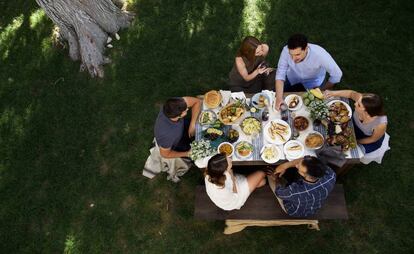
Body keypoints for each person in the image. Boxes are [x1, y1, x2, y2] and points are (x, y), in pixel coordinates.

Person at [274, 33, 343, 110]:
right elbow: (280, 73)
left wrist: (322, 89)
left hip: (314, 81)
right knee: (276, 95)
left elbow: (337, 74)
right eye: (291, 55)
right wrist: (279, 98)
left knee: (313, 106)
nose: (293, 59)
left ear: (306, 48)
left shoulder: (320, 55)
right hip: (293, 76)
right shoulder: (286, 50)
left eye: (297, 54)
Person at [267, 156, 336, 217]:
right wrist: (285, 166)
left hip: (296, 211)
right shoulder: (331, 175)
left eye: (298, 168)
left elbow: (279, 193)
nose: (296, 165)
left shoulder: (295, 191)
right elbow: (307, 159)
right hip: (313, 205)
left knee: (270, 176)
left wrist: (276, 178)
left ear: (306, 176)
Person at [324, 90, 388, 154]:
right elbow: (351, 94)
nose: (355, 103)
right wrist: (332, 93)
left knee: (349, 153)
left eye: (359, 105)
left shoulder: (380, 124)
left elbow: (373, 139)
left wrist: (355, 141)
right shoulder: (362, 99)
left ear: (367, 112)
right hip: (354, 126)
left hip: (367, 139)